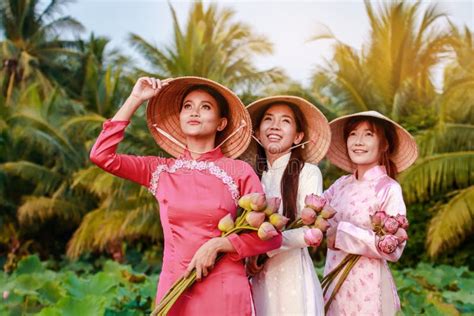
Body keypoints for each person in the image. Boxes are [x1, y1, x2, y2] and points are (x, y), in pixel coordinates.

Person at [89, 76, 282, 315]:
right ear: (180, 118)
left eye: (206, 107)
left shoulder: (239, 171)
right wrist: (135, 98)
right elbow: (101, 156)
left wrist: (219, 244)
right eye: (188, 106)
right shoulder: (160, 170)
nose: (195, 112)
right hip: (175, 287)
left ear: (221, 123)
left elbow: (272, 237)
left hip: (224, 288)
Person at [322, 111, 418, 315]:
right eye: (353, 134)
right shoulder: (340, 185)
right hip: (334, 281)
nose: (358, 141)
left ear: (384, 145)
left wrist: (341, 233)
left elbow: (393, 249)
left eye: (368, 134)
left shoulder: (388, 189)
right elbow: (316, 216)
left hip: (368, 287)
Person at [244, 96, 331, 315]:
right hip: (255, 276)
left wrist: (262, 252)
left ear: (298, 136)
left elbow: (311, 230)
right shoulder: (251, 176)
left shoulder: (308, 172)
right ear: (256, 133)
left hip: (292, 275)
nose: (275, 125)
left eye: (285, 121)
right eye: (268, 119)